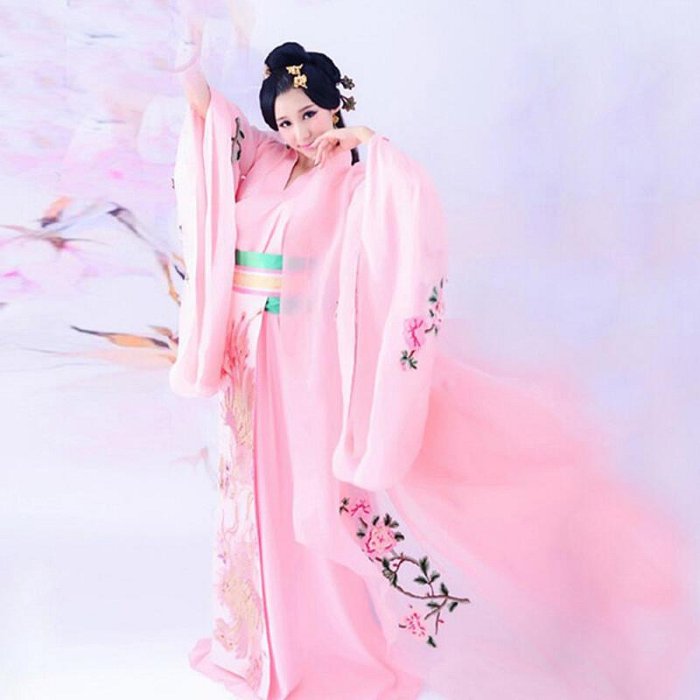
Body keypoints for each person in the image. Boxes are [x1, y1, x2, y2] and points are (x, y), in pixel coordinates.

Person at [168, 32, 696, 700]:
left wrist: (367, 142)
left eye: (310, 114)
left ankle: (328, 645)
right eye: (285, 121)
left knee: (314, 494)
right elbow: (210, 123)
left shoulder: (360, 178)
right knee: (255, 490)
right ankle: (260, 640)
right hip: (252, 352)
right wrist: (183, 58)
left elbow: (407, 221)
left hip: (307, 358)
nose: (299, 132)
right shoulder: (266, 160)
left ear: (335, 106)